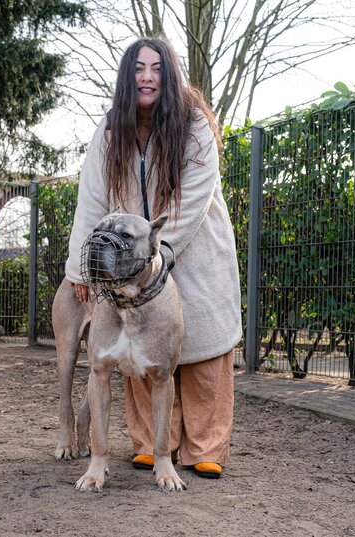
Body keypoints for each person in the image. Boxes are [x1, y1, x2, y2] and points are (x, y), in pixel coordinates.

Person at [64, 36, 242, 479]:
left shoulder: (194, 123)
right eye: (139, 68)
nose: (147, 76)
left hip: (193, 244)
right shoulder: (109, 131)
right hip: (129, 254)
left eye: (156, 68)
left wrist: (157, 253)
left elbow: (198, 194)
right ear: (128, 78)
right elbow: (91, 198)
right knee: (137, 342)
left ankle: (205, 446)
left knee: (202, 346)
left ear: (170, 74)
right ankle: (149, 443)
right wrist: (79, 269)